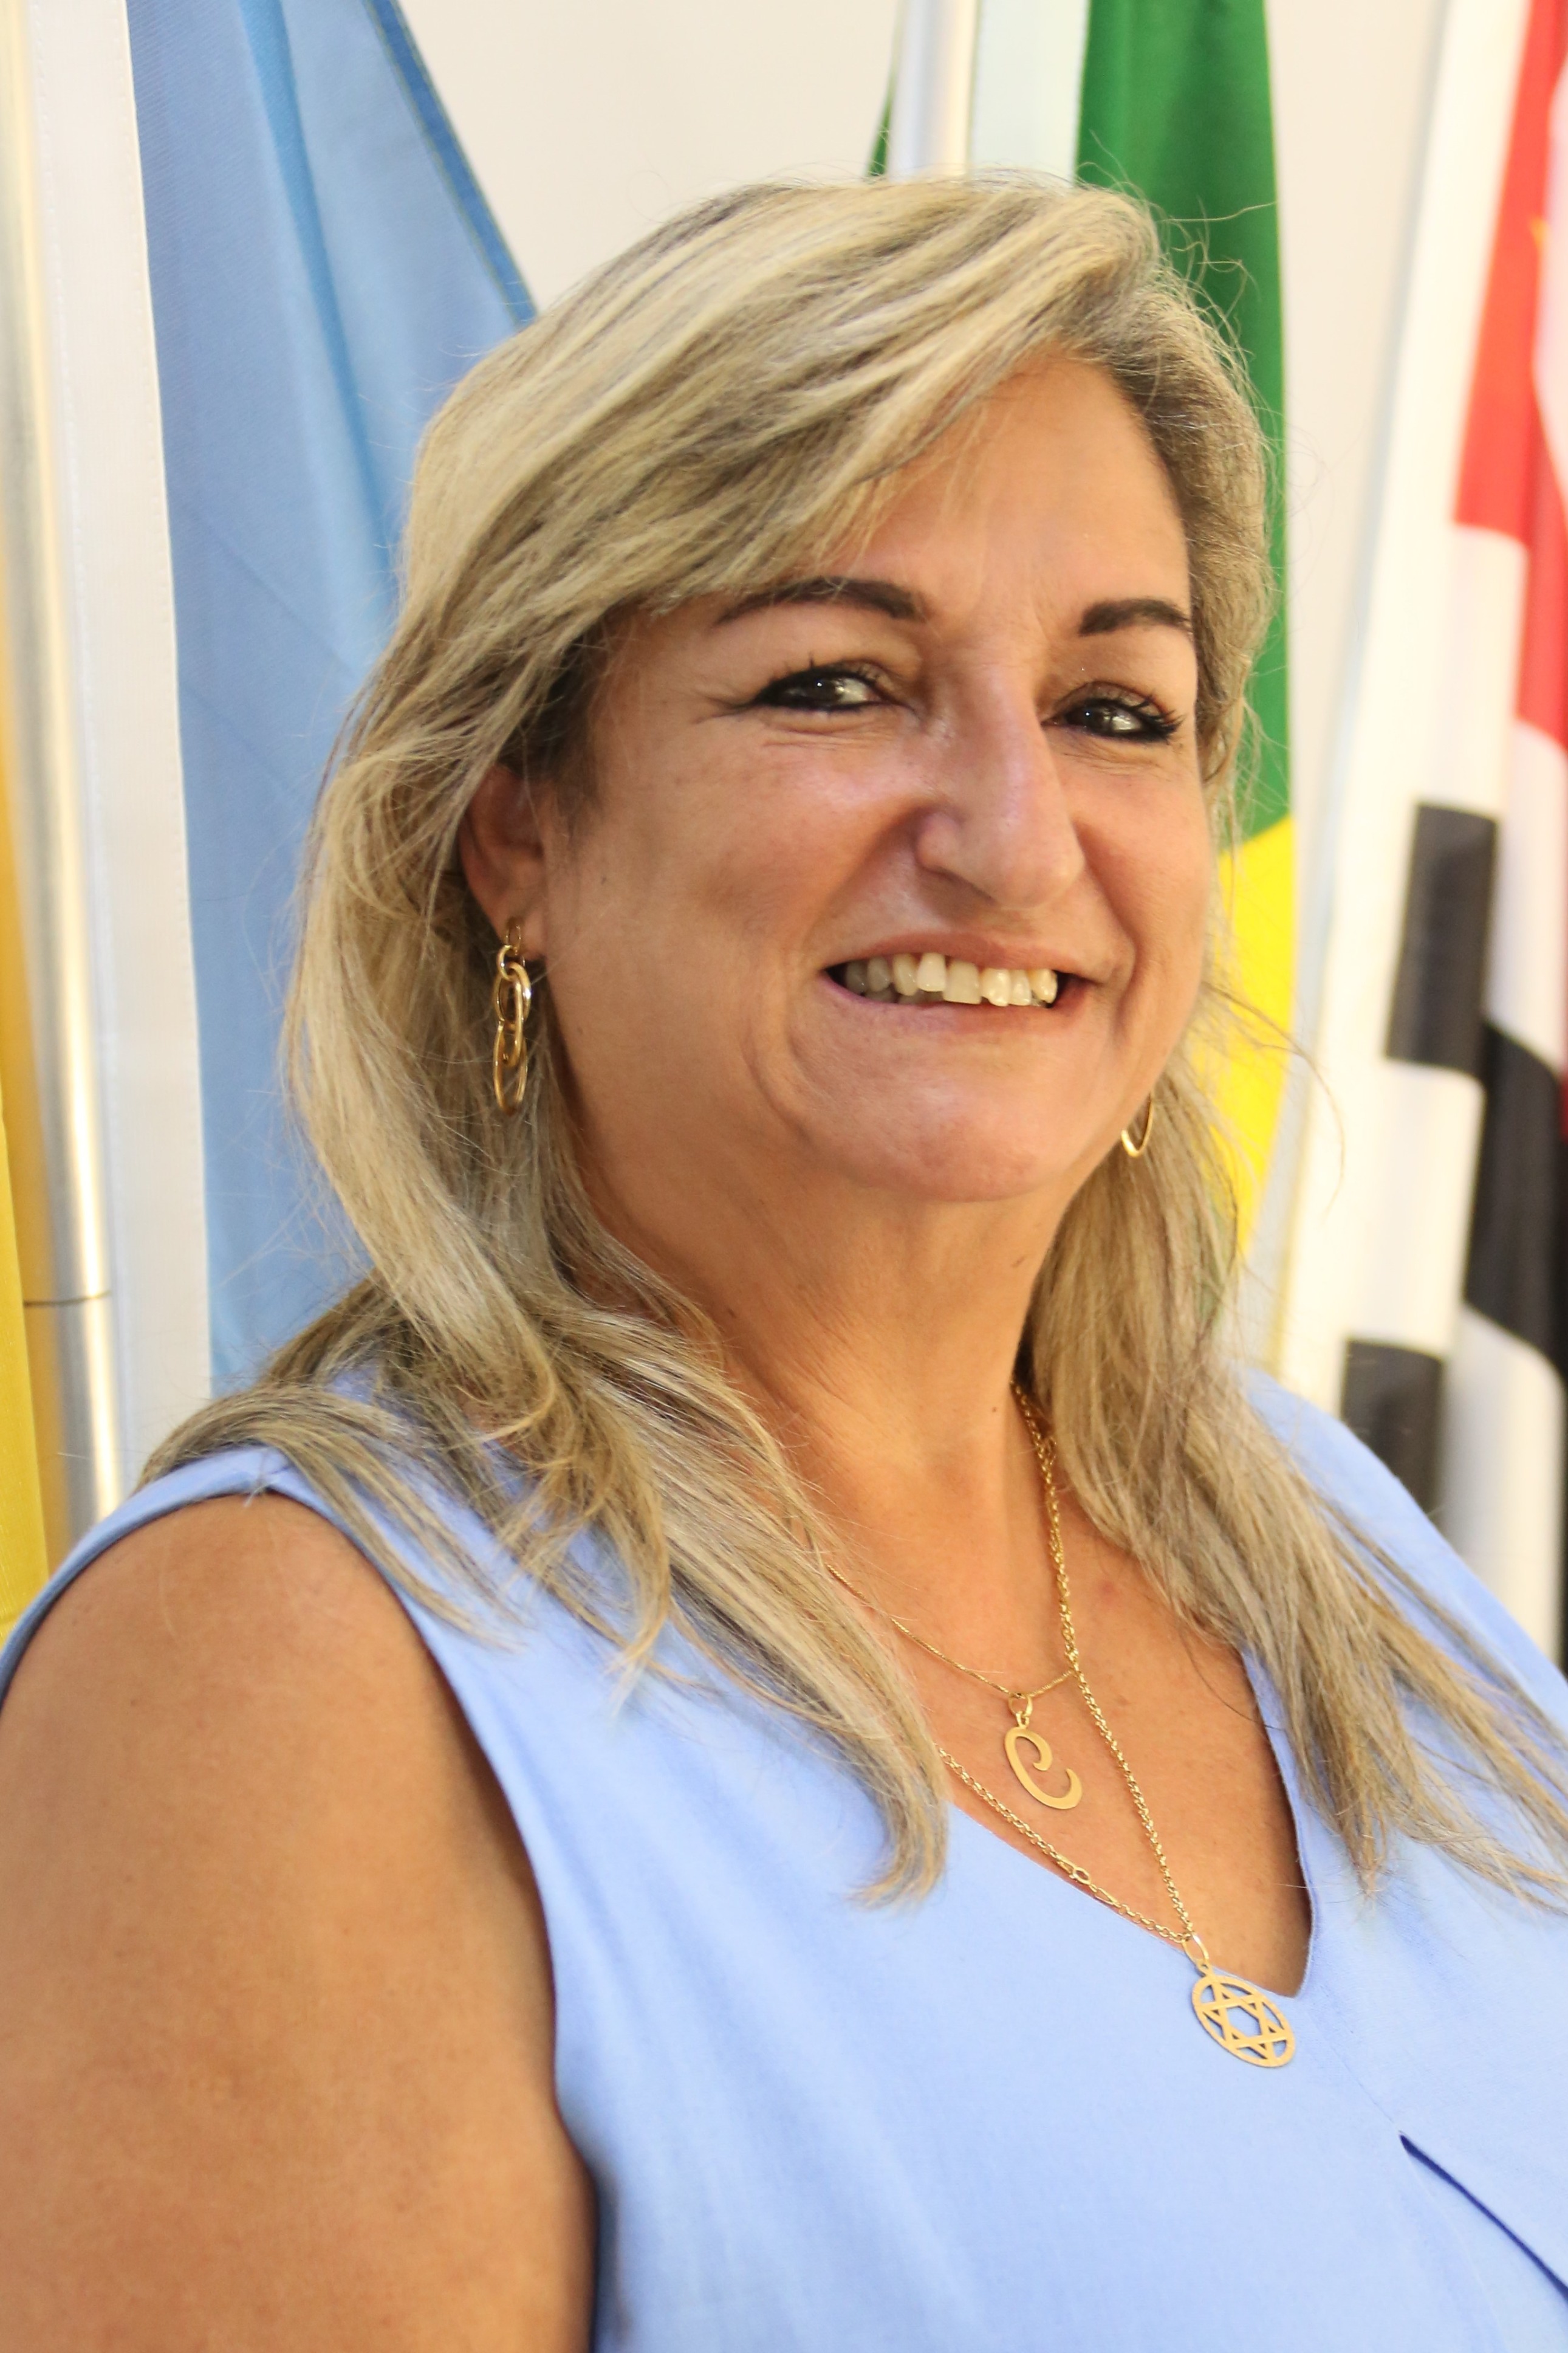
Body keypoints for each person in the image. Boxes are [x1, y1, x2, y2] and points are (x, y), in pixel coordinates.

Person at [1, 174, 1566, 2352]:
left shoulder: (1335, 1544)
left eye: (1117, 709)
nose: (1016, 836)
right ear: (516, 826)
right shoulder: (294, 1687)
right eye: (840, 683)